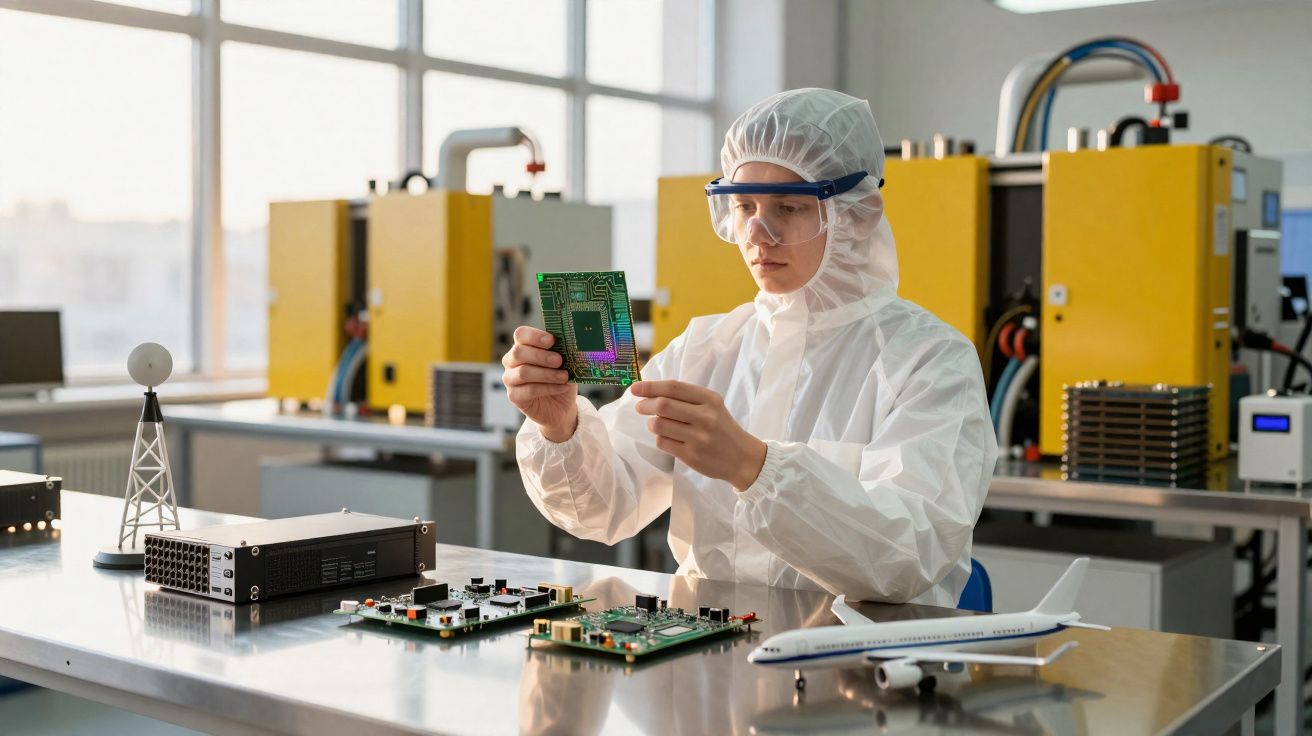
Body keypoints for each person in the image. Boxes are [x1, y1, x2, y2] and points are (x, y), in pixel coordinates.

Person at [502, 88, 996, 605]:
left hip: (862, 667)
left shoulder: (931, 361)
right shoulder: (704, 347)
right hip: (704, 659)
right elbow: (602, 509)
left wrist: (752, 467)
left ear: (857, 214)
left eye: (788, 207)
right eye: (744, 207)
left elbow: (909, 555)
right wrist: (560, 428)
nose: (759, 235)